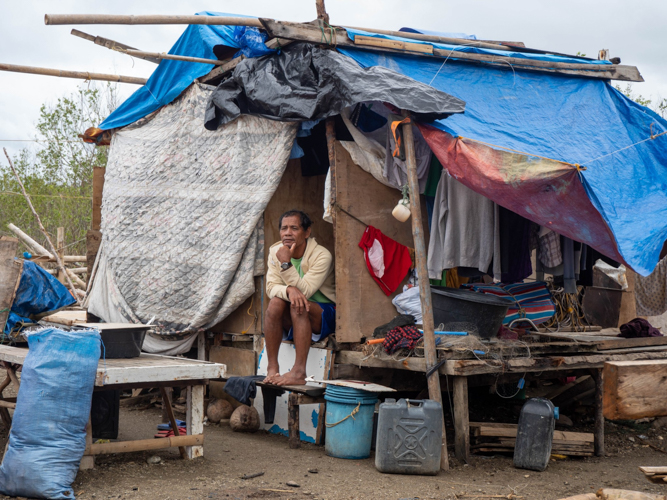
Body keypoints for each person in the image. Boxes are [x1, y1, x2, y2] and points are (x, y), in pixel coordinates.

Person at [264, 210, 335, 386]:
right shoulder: (275, 251)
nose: (287, 233)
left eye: (294, 228)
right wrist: (289, 290)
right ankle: (272, 368)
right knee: (275, 303)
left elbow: (306, 291)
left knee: (299, 303)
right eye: (284, 228)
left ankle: (299, 371)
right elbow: (270, 288)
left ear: (307, 232)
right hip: (295, 312)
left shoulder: (322, 255)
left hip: (323, 314)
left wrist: (286, 264)